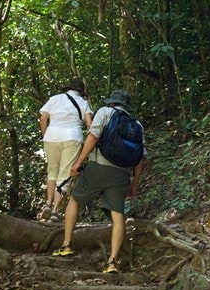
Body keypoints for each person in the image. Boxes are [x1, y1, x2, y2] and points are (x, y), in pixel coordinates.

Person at [53, 89, 146, 274]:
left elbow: (93, 137)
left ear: (112, 103)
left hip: (98, 167)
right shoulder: (137, 125)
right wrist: (134, 183)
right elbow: (141, 158)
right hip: (122, 175)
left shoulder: (105, 112)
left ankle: (67, 245)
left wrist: (78, 163)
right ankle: (112, 262)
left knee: (75, 200)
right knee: (118, 215)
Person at [38, 78, 93, 222]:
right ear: (81, 91)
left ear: (68, 88)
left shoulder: (55, 99)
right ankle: (55, 211)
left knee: (52, 172)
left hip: (51, 137)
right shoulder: (83, 102)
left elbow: (43, 118)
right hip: (72, 138)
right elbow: (90, 124)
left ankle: (48, 204)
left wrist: (46, 135)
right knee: (64, 175)